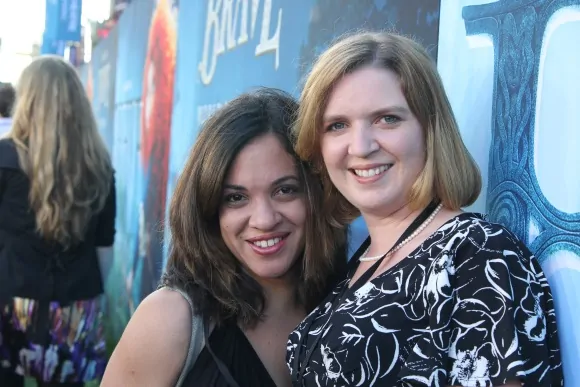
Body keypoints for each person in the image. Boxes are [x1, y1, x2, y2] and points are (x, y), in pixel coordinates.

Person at [287, 32, 563, 386]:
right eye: (337, 125)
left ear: (429, 129)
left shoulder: (477, 255)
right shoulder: (365, 258)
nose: (361, 146)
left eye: (387, 119)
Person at [102, 88, 347, 387]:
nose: (264, 220)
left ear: (317, 193)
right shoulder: (170, 320)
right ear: (208, 209)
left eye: (285, 190)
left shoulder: (345, 310)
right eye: (236, 198)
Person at [0, 56, 116, 387]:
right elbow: (104, 251)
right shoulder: (99, 166)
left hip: (11, 300)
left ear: (28, 99)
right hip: (76, 305)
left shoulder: (3, 158)